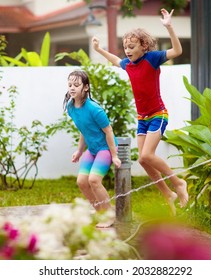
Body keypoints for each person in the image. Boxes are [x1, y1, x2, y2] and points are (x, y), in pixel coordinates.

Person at [92, 8, 188, 215]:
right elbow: (115, 60)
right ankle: (167, 193)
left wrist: (169, 27)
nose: (127, 50)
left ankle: (178, 183)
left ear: (143, 46)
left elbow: (177, 51)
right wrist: (100, 50)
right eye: (125, 46)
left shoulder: (152, 59)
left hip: (158, 115)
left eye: (131, 46)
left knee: (147, 155)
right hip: (142, 119)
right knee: (143, 160)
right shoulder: (128, 64)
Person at [63, 70, 121, 228]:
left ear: (86, 87)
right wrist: (79, 151)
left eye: (76, 84)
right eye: (70, 85)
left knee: (94, 180)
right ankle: (100, 212)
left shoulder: (95, 109)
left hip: (105, 148)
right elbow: (84, 130)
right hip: (93, 148)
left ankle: (109, 215)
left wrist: (114, 155)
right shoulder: (71, 107)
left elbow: (108, 131)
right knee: (82, 182)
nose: (72, 88)